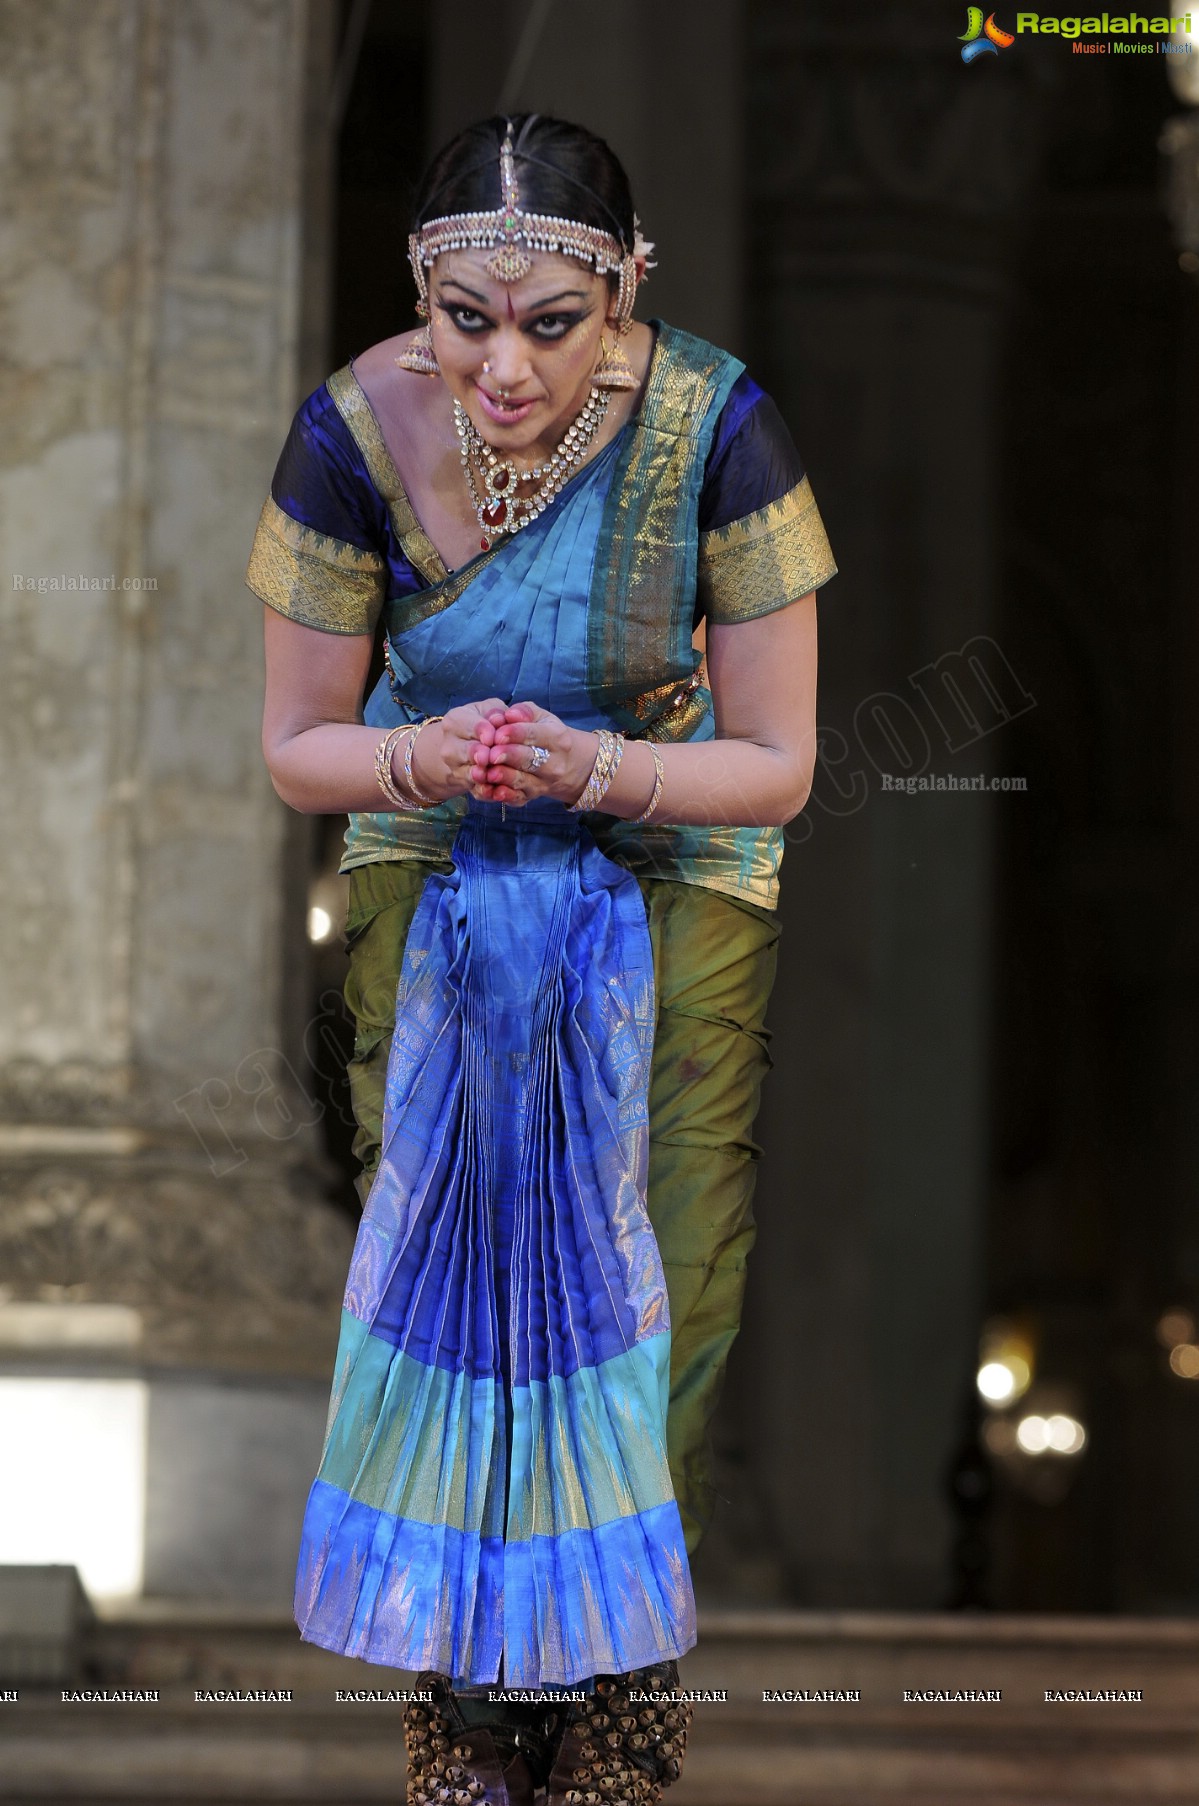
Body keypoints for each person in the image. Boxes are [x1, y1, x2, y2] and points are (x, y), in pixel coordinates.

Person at [248, 113, 836, 1806]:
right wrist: (422, 760)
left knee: (665, 1263)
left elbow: (778, 760)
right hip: (434, 855)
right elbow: (301, 742)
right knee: (439, 1244)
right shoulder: (352, 433)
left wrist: (599, 772)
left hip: (672, 851)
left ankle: (615, 1707)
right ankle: (459, 1712)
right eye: (466, 321)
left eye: (553, 325)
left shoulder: (721, 428)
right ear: (422, 297)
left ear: (628, 288)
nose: (503, 368)